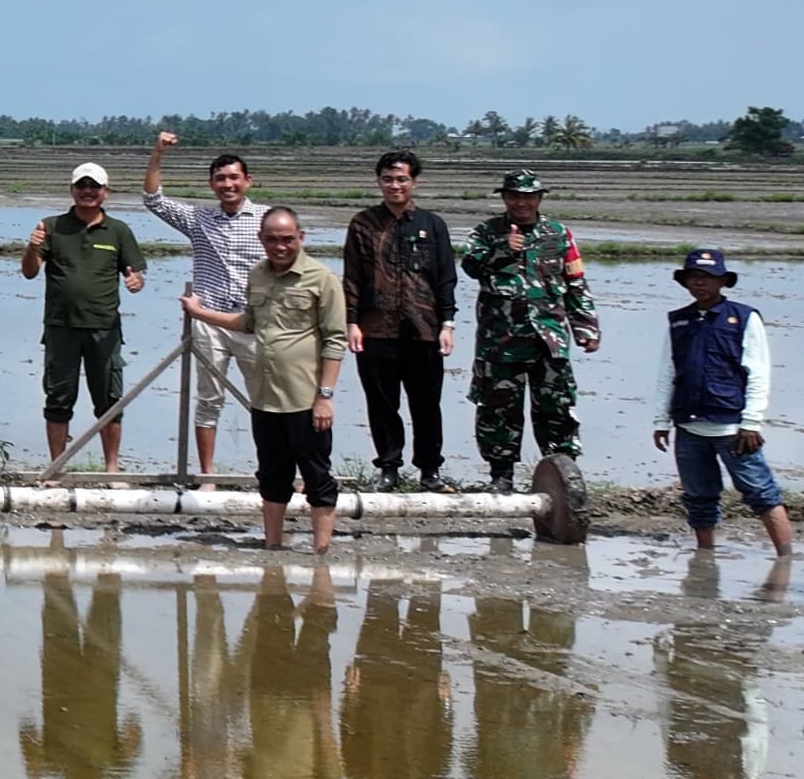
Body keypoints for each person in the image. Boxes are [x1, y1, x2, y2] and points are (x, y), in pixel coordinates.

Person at [185, 204, 351, 552]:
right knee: (272, 477)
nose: (280, 246)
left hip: (306, 399)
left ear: (300, 238)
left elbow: (335, 340)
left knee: (317, 477)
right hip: (265, 398)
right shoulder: (258, 274)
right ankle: (272, 548)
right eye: (272, 239)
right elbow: (249, 322)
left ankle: (321, 552)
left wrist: (326, 395)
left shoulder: (322, 279)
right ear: (261, 240)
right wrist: (200, 313)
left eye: (287, 239)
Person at [142, 133, 270, 479]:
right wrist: (158, 153)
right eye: (220, 179)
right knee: (209, 400)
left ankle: (272, 471)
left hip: (252, 321)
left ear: (247, 181)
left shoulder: (267, 220)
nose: (228, 185)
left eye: (233, 178)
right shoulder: (199, 219)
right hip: (209, 320)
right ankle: (208, 475)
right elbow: (153, 200)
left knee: (267, 401)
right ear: (211, 184)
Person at [653, 247, 792, 561]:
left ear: (722, 281)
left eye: (707, 277)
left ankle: (786, 559)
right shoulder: (679, 321)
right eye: (693, 277)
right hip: (688, 425)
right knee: (699, 497)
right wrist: (661, 420)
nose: (699, 284)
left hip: (732, 427)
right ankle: (705, 556)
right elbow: (668, 372)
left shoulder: (743, 318)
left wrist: (751, 422)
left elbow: (758, 371)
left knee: (761, 492)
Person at [461, 170, 598, 487]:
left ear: (539, 198)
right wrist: (503, 249)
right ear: (505, 198)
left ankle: (563, 474)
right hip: (500, 340)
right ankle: (501, 475)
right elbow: (469, 266)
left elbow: (576, 282)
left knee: (556, 407)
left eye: (528, 196)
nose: (521, 202)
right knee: (498, 410)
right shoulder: (487, 232)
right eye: (514, 196)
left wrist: (586, 327)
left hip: (547, 338)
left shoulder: (558, 234)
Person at [339, 148, 458, 489]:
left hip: (424, 330)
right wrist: (352, 322)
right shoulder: (363, 224)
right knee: (381, 404)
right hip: (375, 329)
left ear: (414, 183)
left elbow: (445, 278)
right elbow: (352, 278)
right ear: (378, 182)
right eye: (388, 179)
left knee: (426, 404)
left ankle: (429, 471)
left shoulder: (432, 225)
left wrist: (447, 324)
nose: (395, 185)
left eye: (401, 179)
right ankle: (389, 468)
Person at [18, 163, 148, 469]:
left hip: (104, 328)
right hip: (61, 327)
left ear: (105, 192)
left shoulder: (118, 231)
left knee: (110, 401)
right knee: (58, 399)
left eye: (94, 186)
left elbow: (135, 275)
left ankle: (112, 468)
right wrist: (31, 247)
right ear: (72, 190)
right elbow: (29, 272)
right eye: (82, 186)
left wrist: (135, 282)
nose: (87, 191)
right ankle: (57, 467)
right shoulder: (51, 226)